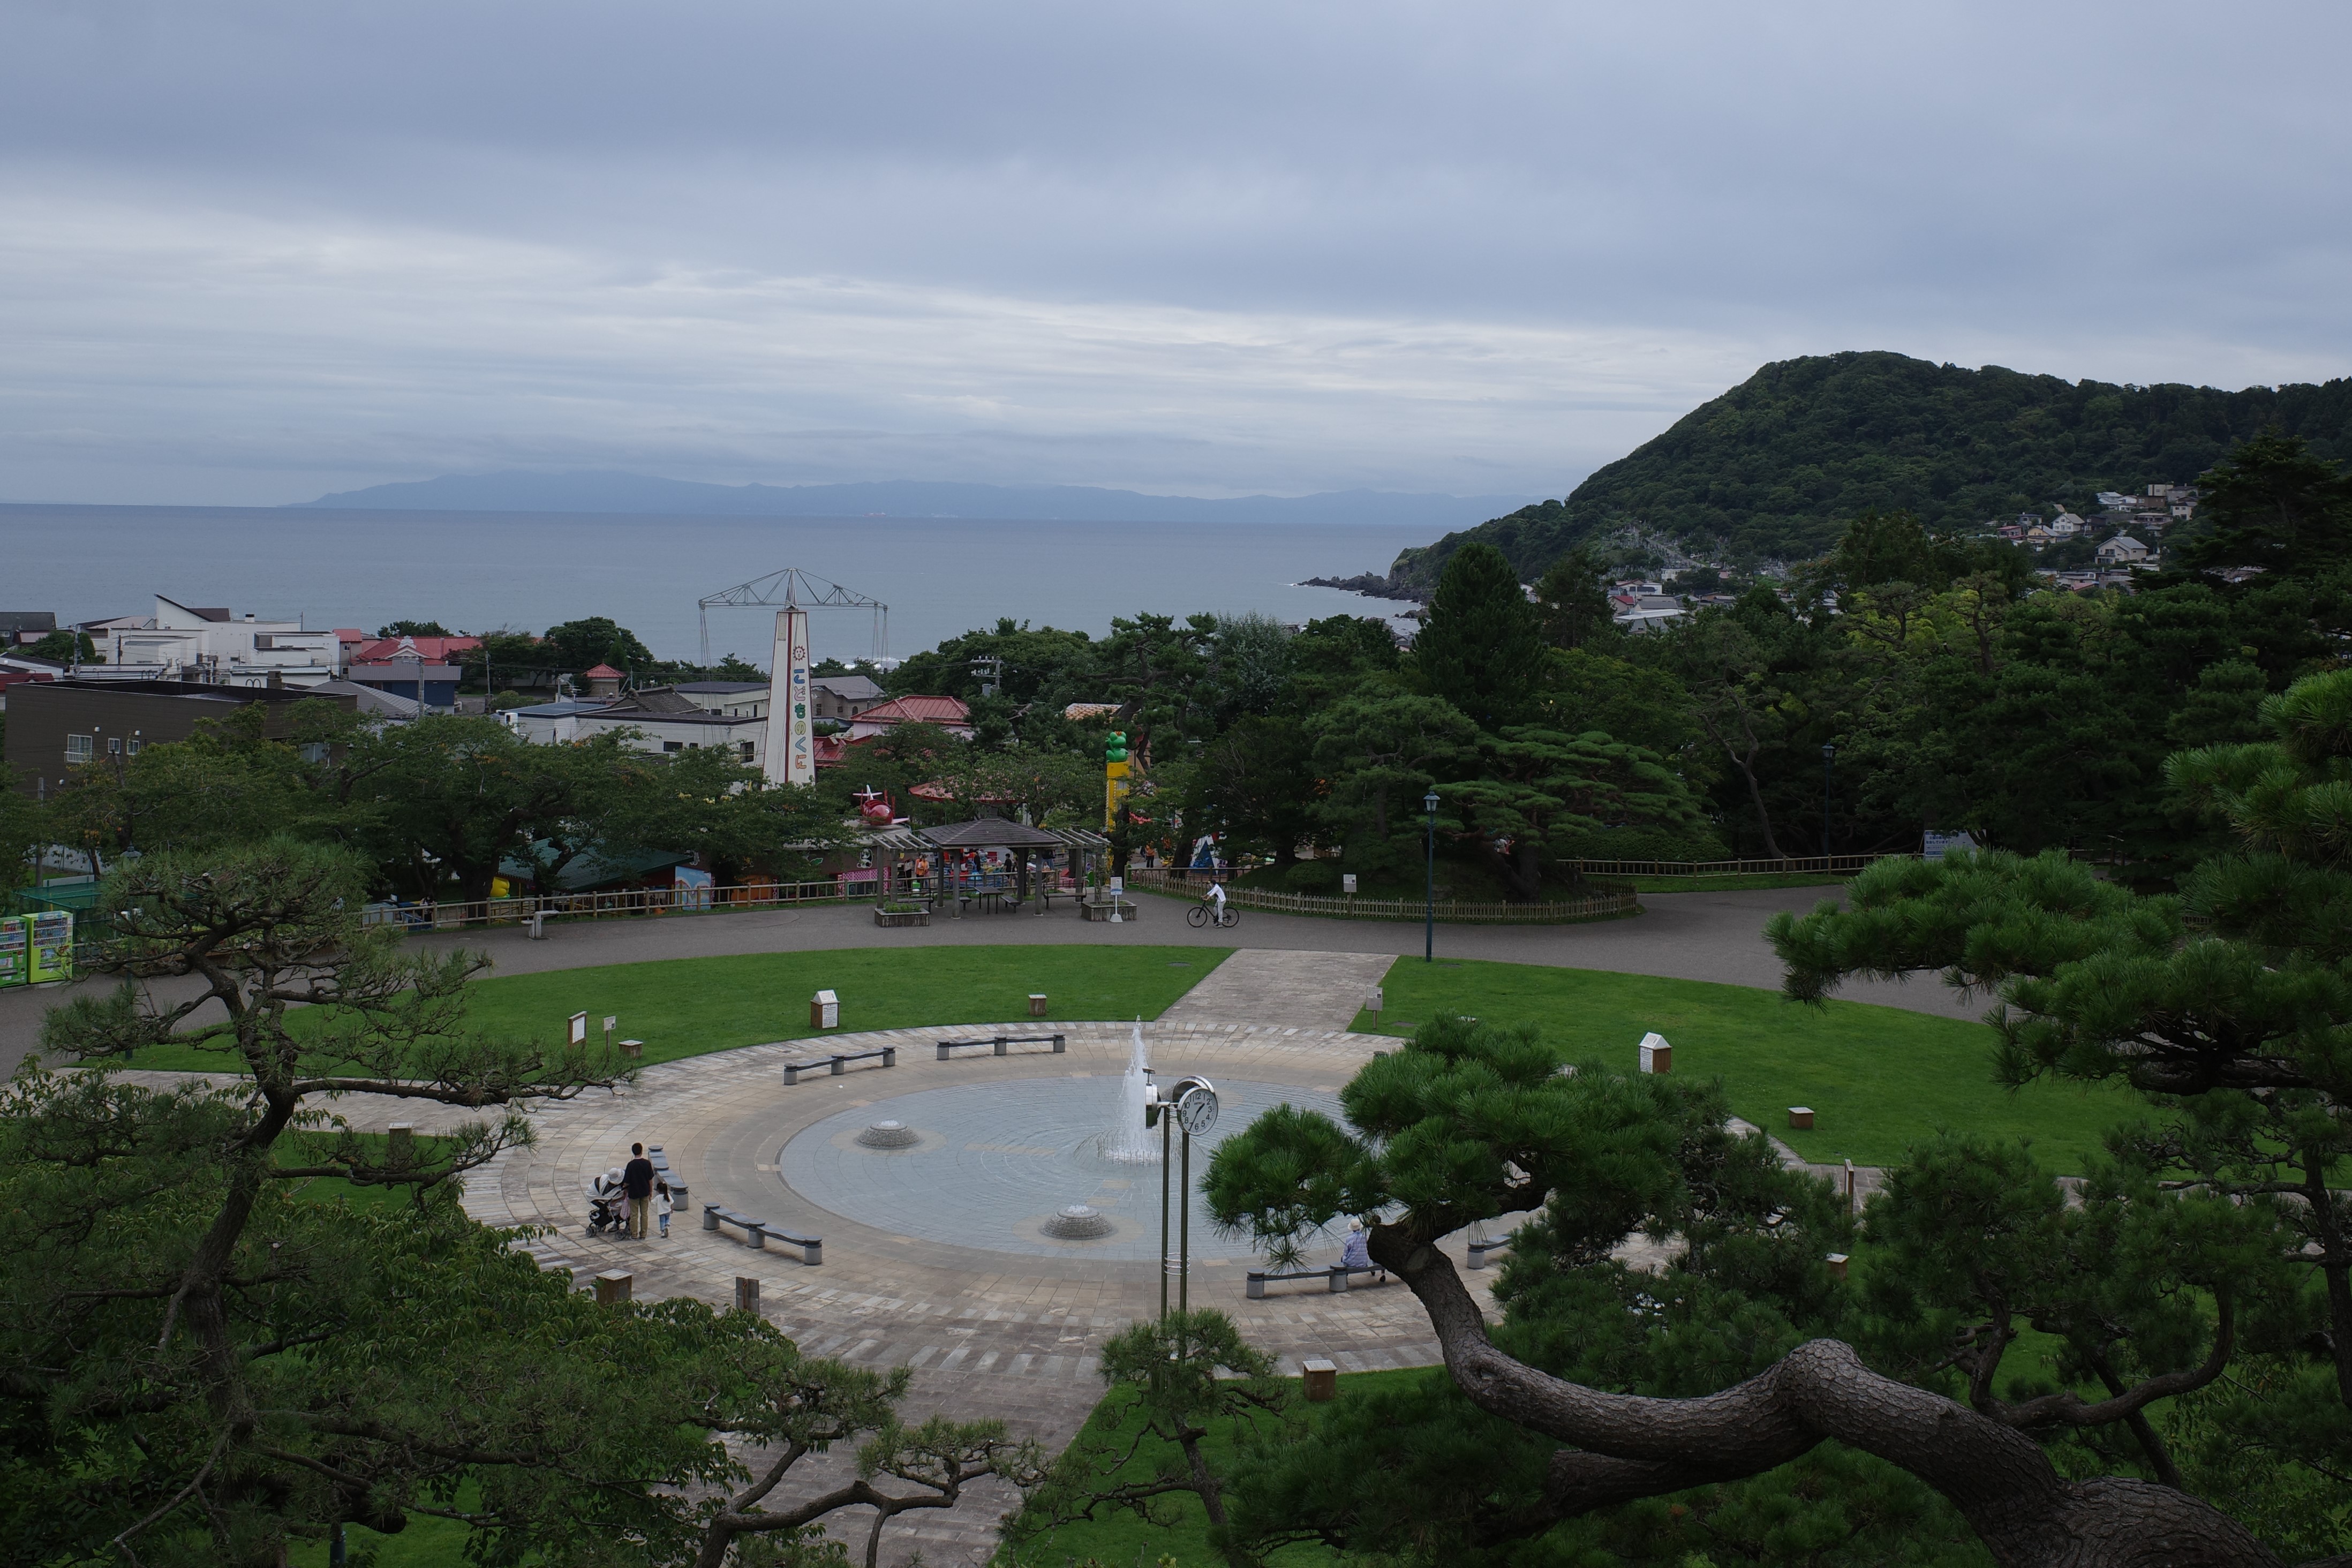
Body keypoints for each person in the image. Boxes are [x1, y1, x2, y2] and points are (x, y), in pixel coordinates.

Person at [622, 1142, 656, 1239]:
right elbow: (650, 1179)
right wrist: (650, 1191)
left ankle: (634, 1234)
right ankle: (643, 1234)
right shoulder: (647, 1164)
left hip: (634, 1193)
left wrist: (625, 1191)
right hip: (645, 1192)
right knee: (644, 1214)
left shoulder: (631, 1165)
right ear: (642, 1151)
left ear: (633, 1152)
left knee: (634, 1215)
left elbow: (627, 1182)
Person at [1341, 1218, 1382, 1282]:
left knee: (1343, 1258)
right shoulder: (1364, 1236)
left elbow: (1346, 1253)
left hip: (1352, 1263)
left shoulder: (1349, 1239)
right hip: (1363, 1262)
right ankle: (1373, 1270)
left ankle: (1345, 1276)